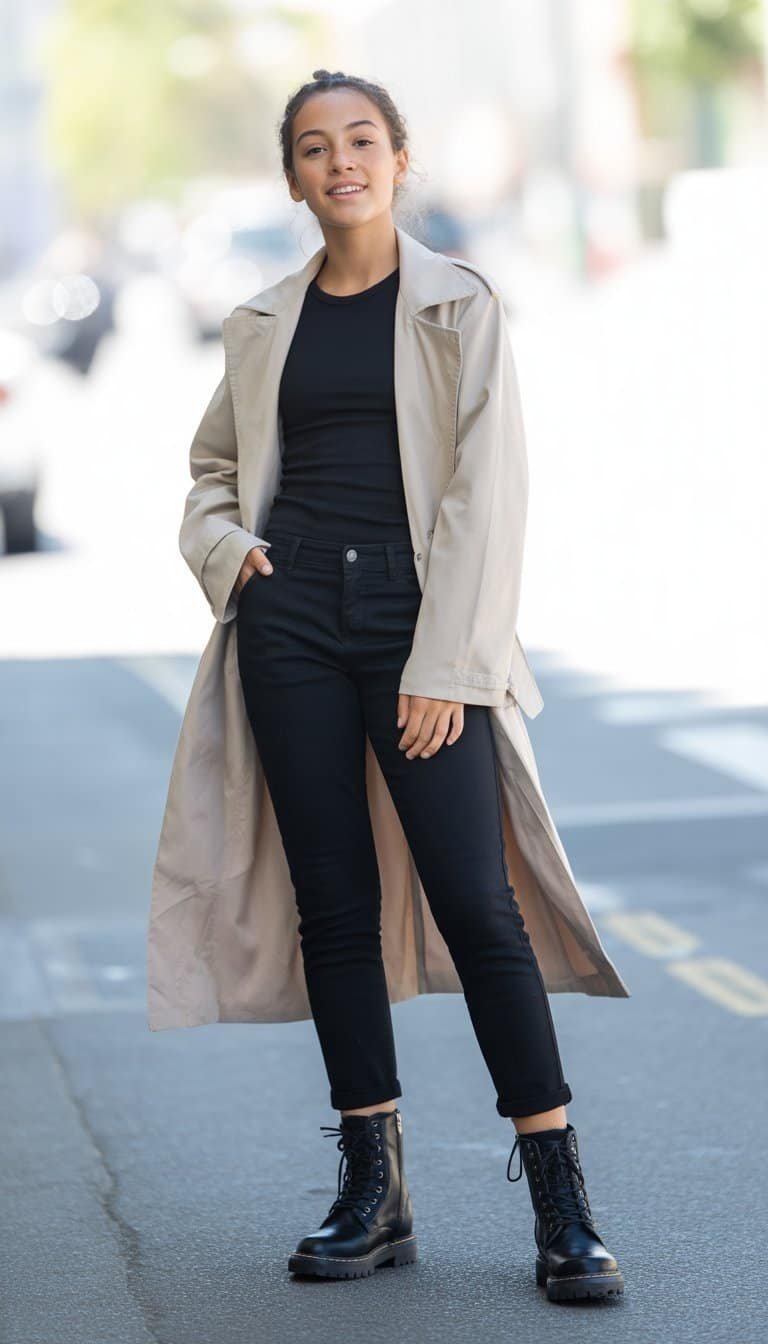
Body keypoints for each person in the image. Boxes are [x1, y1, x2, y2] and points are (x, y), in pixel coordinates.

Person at [199, 69, 624, 1302]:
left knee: (476, 903)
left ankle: (562, 1206)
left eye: (363, 141)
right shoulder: (263, 319)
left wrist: (447, 661)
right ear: (292, 176)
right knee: (330, 904)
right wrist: (236, 559)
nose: (342, 163)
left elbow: (489, 498)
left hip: (414, 618)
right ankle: (372, 1192)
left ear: (400, 160)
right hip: (290, 626)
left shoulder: (458, 303)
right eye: (316, 148)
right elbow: (211, 475)